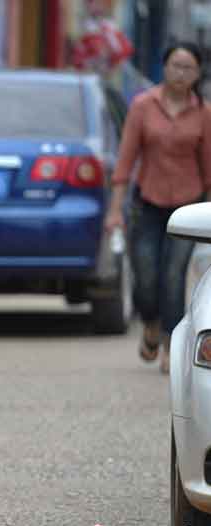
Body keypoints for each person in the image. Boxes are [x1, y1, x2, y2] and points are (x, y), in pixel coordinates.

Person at [105, 42, 211, 374]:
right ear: (164, 68)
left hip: (186, 206)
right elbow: (125, 160)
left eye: (188, 68)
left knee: (173, 275)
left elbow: (209, 168)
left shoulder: (204, 114)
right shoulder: (142, 107)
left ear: (197, 74)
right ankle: (149, 324)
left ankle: (168, 344)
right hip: (147, 205)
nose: (181, 73)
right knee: (146, 276)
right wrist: (115, 210)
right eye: (175, 66)